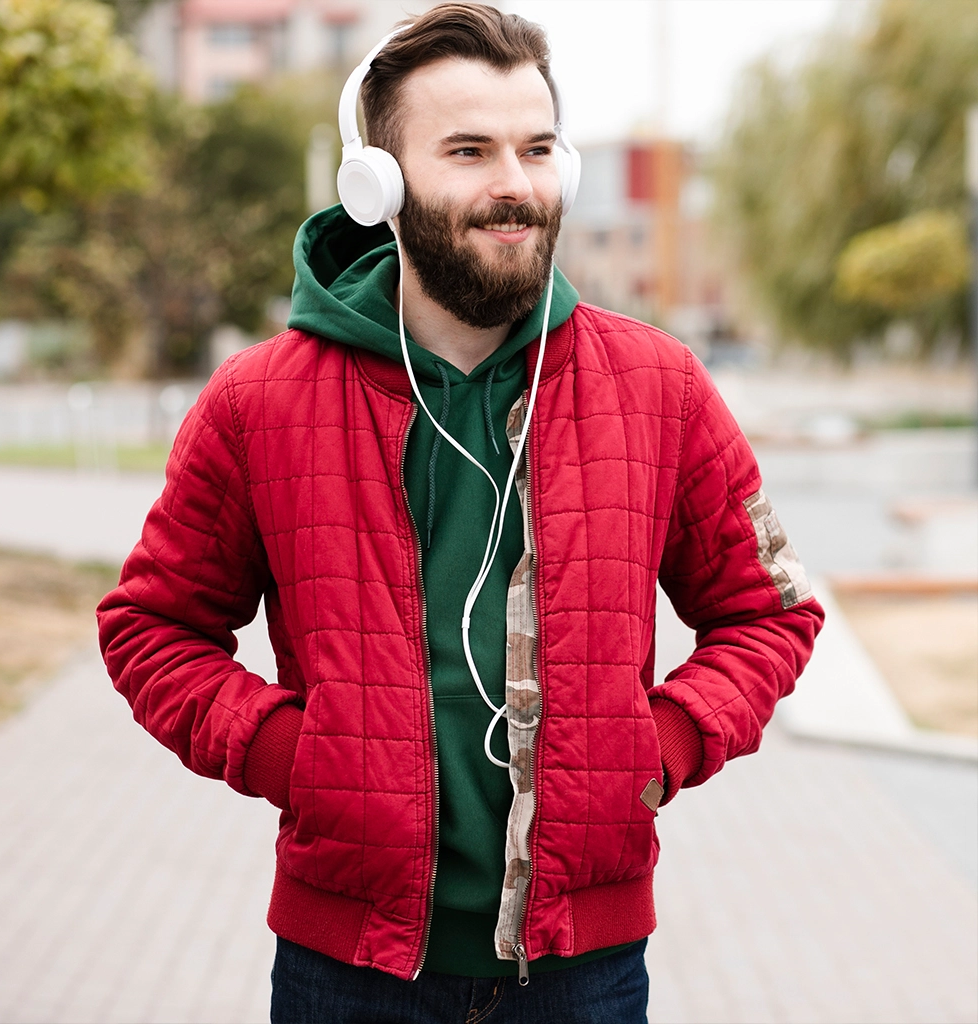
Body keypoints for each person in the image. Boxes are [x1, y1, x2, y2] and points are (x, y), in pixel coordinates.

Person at [97, 5, 824, 1022]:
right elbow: (150, 628)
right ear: (377, 184)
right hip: (344, 970)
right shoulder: (257, 403)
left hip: (587, 971)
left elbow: (771, 611)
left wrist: (657, 745)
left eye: (535, 149)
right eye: (469, 150)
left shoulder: (659, 386)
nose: (515, 185)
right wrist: (287, 755)